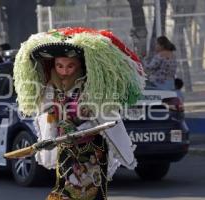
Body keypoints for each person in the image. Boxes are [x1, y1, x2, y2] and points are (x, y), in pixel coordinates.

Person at [13, 27, 145, 200]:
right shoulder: (50, 89)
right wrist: (53, 126)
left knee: (85, 194)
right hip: (66, 151)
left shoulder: (90, 88)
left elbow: (102, 117)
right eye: (59, 66)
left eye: (70, 66)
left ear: (79, 65)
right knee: (65, 191)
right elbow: (47, 115)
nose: (64, 71)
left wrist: (79, 127)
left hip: (91, 152)